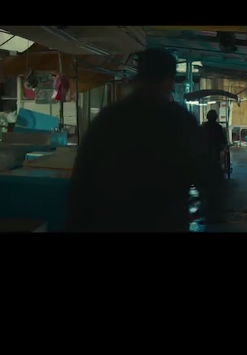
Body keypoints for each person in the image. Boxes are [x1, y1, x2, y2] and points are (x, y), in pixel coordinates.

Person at [66, 49, 205, 232]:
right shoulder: (182, 121)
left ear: (138, 79)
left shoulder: (109, 118)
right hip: (167, 222)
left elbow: (82, 180)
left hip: (114, 222)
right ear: (169, 82)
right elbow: (204, 175)